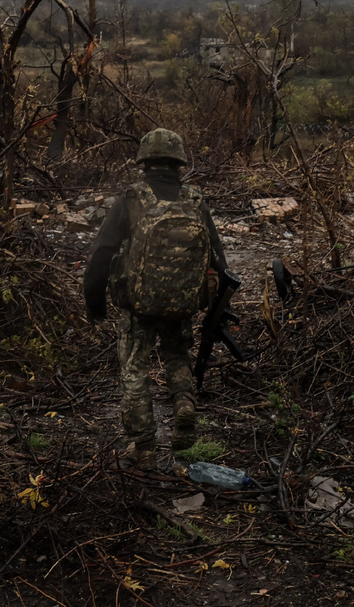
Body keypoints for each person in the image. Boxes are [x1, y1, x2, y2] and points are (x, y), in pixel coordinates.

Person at [83, 128, 228, 473]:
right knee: (177, 356)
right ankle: (184, 405)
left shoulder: (132, 199)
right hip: (182, 304)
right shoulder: (195, 200)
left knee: (134, 369)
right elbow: (218, 259)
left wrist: (95, 304)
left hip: (137, 305)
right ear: (179, 162)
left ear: (143, 162)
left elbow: (102, 253)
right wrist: (214, 305)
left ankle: (144, 447)